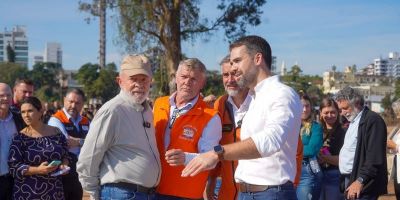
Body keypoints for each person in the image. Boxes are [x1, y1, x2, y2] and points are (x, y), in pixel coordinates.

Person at [182, 35, 302, 200]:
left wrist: (217, 153)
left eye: (237, 61)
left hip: (271, 193)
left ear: (257, 58)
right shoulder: (255, 98)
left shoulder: (282, 94)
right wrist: (186, 157)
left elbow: (271, 140)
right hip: (247, 193)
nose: (233, 68)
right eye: (231, 63)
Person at [77, 54, 161, 200]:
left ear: (150, 82)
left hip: (144, 194)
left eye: (144, 79)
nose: (139, 85)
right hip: (121, 193)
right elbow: (89, 157)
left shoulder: (147, 111)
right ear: (120, 81)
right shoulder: (112, 110)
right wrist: (93, 193)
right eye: (133, 79)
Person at [153, 58, 222, 200]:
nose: (187, 82)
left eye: (194, 79)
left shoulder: (211, 117)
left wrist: (185, 158)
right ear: (175, 78)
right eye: (184, 77)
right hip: (152, 188)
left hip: (185, 194)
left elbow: (211, 159)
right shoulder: (159, 104)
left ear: (202, 83)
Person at [206, 55, 252, 200]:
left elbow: (294, 149)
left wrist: (292, 185)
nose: (230, 80)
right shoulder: (219, 104)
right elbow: (215, 147)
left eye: (235, 74)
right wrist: (210, 185)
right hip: (226, 193)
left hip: (257, 193)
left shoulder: (261, 102)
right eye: (226, 75)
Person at [8, 96, 70, 200]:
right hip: (27, 192)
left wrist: (64, 165)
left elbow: (66, 155)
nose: (26, 115)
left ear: (40, 111)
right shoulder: (19, 138)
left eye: (30, 111)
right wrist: (37, 170)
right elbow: (14, 167)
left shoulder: (56, 132)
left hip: (54, 190)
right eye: (23, 112)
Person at [334, 86, 387, 200]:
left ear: (357, 103)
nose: (342, 113)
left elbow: (374, 158)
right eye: (340, 109)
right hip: (351, 180)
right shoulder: (353, 121)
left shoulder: (372, 120)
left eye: (345, 108)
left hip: (362, 184)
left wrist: (360, 180)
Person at [48, 88, 89, 200]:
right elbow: (65, 142)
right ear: (64, 100)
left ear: (82, 104)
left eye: (77, 103)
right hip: (63, 172)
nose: (73, 105)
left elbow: (95, 143)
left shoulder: (85, 121)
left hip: (80, 172)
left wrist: (79, 142)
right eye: (70, 102)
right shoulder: (56, 119)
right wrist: (85, 142)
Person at [0, 83, 25, 200]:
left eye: (8, 95)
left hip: (15, 180)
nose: (5, 98)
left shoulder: (19, 119)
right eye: (1, 95)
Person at [317, 97, 346, 200]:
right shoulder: (316, 130)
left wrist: (323, 158)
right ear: (320, 113)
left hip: (335, 177)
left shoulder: (344, 132)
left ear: (338, 112)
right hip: (317, 177)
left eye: (333, 112)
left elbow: (344, 160)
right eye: (326, 112)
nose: (329, 115)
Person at [296, 94, 323, 200]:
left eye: (307, 106)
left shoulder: (316, 127)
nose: (304, 109)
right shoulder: (289, 125)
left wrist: (291, 149)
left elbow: (311, 150)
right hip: (288, 170)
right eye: (301, 105)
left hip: (306, 171)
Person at [386, 99, 400, 199]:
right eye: (397, 113)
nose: (397, 116)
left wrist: (395, 146)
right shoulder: (397, 128)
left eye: (399, 113)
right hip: (397, 172)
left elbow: (395, 146)